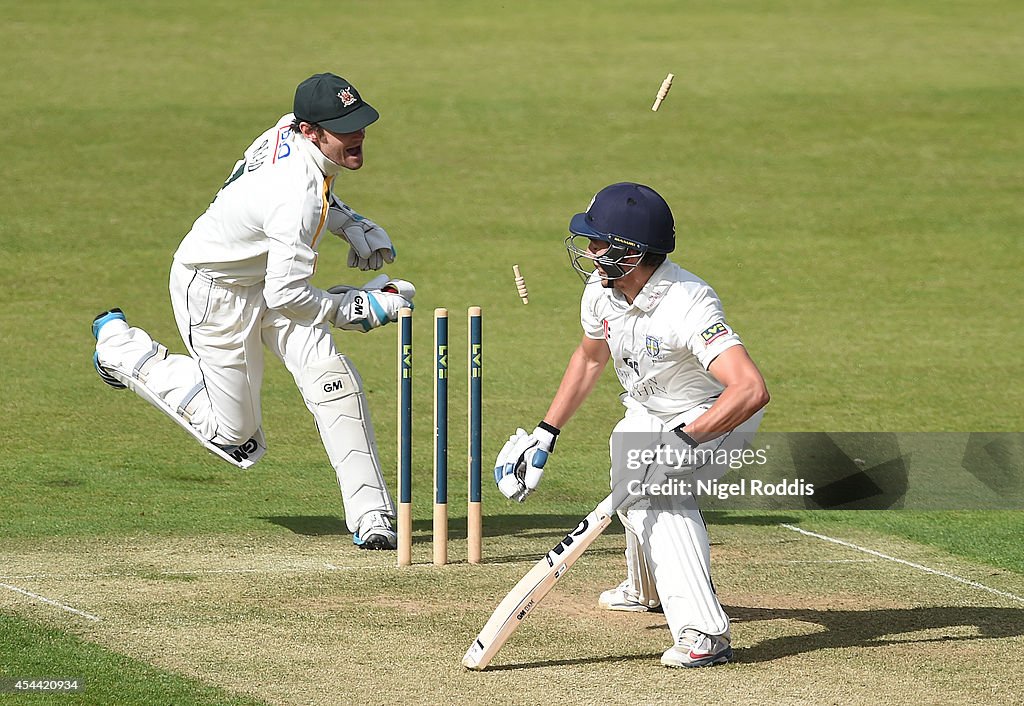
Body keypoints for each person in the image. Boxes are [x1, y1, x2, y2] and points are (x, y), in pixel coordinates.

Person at [91, 72, 412, 550]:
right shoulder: (295, 197)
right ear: (311, 131)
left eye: (359, 122)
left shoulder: (287, 131)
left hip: (269, 276)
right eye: (344, 127)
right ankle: (121, 349)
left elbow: (310, 195)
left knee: (332, 379)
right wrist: (351, 308)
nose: (358, 134)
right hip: (215, 291)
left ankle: (372, 516)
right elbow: (290, 295)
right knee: (236, 434)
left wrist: (351, 223)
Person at [494, 182, 769, 667]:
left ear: (632, 252)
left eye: (600, 243)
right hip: (651, 407)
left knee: (658, 493)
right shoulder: (603, 292)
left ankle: (705, 633)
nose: (590, 250)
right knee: (630, 463)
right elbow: (589, 359)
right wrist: (546, 432)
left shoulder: (689, 303)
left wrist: (685, 443)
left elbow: (749, 389)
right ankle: (647, 590)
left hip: (714, 412)